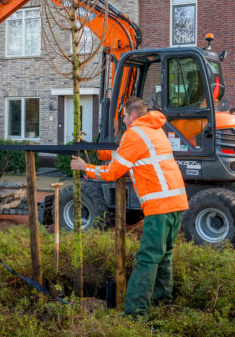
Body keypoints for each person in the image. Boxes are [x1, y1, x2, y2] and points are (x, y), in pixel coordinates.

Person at [70, 97, 189, 318]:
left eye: (123, 116)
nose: (123, 120)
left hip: (159, 205)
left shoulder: (134, 134)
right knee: (164, 255)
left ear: (132, 115)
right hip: (177, 201)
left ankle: (134, 314)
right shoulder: (155, 130)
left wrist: (85, 167)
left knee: (147, 258)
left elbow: (112, 173)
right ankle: (163, 301)